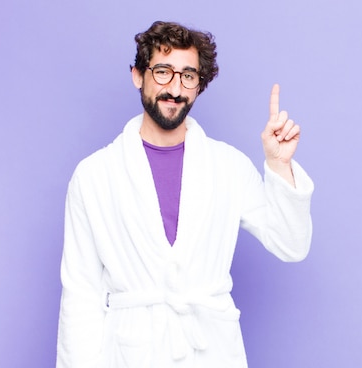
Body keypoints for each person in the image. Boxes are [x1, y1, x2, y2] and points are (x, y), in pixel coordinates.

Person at [56, 20, 314, 368]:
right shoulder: (94, 175)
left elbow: (291, 244)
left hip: (212, 351)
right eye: (163, 71)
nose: (175, 88)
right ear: (138, 75)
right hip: (132, 353)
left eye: (188, 76)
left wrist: (279, 166)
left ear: (198, 85)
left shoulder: (228, 166)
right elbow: (80, 295)